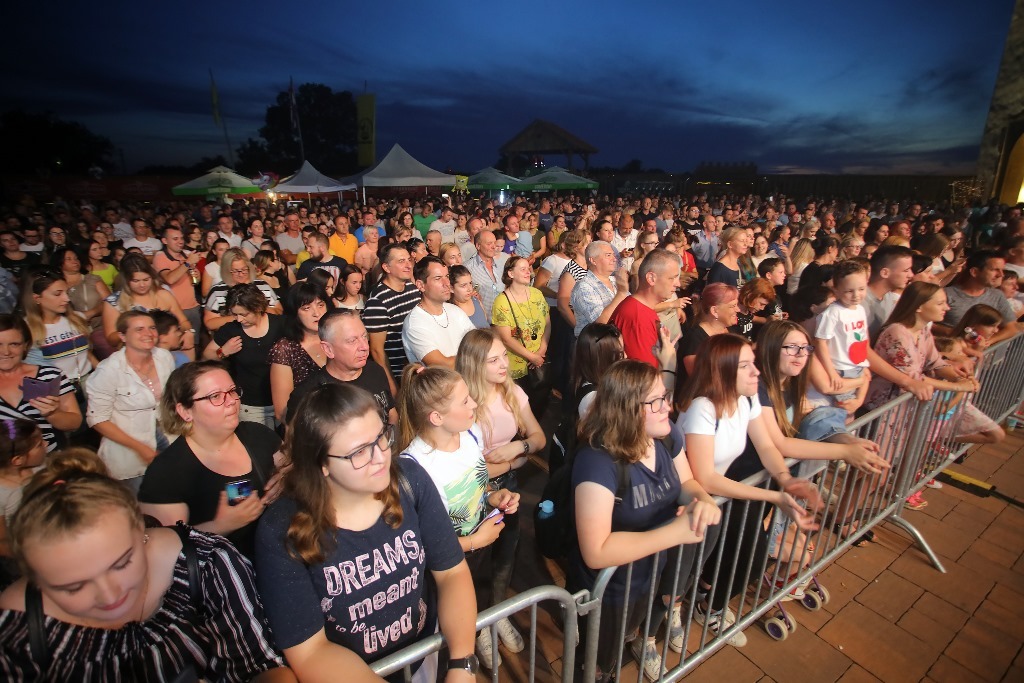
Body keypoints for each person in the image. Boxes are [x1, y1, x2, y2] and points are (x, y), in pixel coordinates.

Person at [0, 449, 293, 681]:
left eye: (121, 563)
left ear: (142, 532)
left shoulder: (207, 564)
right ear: (35, 580)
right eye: (72, 587)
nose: (110, 595)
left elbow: (263, 667)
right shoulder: (15, 632)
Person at [255, 383, 477, 682]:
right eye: (359, 452)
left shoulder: (409, 480)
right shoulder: (282, 531)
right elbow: (310, 651)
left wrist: (462, 664)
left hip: (420, 656)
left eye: (381, 437)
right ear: (321, 463)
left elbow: (451, 572)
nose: (380, 457)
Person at [571, 360, 719, 680]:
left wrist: (703, 501)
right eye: (656, 401)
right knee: (599, 662)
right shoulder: (597, 463)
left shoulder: (665, 436)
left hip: (649, 573)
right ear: (627, 409)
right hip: (610, 589)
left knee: (626, 636)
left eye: (665, 396)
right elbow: (596, 550)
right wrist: (677, 532)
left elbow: (688, 483)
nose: (667, 406)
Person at [675, 334, 820, 647]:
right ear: (723, 372)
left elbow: (767, 446)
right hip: (688, 503)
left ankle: (705, 602)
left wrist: (786, 481)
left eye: (753, 363)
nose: (757, 372)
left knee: (749, 559)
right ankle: (662, 621)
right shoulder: (703, 408)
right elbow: (706, 478)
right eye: (745, 366)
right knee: (681, 571)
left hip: (718, 501)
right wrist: (773, 495)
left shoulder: (747, 398)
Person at [395, 365, 521, 671]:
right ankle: (473, 634)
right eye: (464, 401)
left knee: (483, 587)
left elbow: (478, 486)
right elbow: (421, 544)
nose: (474, 404)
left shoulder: (469, 435)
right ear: (436, 417)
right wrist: (474, 541)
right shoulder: (416, 467)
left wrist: (494, 497)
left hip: (481, 543)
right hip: (448, 566)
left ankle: (486, 619)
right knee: (457, 609)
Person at [455, 329, 545, 657]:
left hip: (509, 489)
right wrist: (514, 461)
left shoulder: (512, 392)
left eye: (504, 355)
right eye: (493, 359)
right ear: (474, 364)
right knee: (474, 563)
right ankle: (477, 623)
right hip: (471, 495)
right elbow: (466, 471)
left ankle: (496, 612)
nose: (504, 364)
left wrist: (517, 448)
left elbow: (538, 437)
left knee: (506, 555)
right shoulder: (462, 403)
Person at [139, 361, 282, 559]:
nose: (231, 401)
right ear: (185, 411)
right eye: (215, 396)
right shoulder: (166, 473)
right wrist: (221, 526)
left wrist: (287, 477)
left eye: (232, 391)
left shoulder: (259, 435)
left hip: (275, 563)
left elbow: (298, 470)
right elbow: (162, 551)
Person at [85, 311, 175, 492]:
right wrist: (140, 448)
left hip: (167, 436)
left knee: (169, 494)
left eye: (152, 328)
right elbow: (97, 420)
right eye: (139, 329)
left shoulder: (164, 357)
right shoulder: (109, 371)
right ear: (122, 336)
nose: (148, 334)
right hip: (128, 450)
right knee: (140, 504)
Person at [285, 309, 397, 424]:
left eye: (364, 336)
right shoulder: (307, 396)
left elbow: (391, 414)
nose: (364, 346)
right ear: (328, 349)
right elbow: (295, 440)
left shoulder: (375, 371)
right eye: (352, 341)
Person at [203, 283, 286, 429]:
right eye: (235, 314)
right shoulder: (231, 330)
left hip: (283, 403)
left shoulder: (281, 325)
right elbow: (207, 354)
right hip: (250, 406)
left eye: (244, 314)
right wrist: (223, 352)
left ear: (258, 307)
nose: (239, 319)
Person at [0, 315, 81, 452]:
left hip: (47, 464)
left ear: (26, 346)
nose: (6, 352)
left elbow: (74, 423)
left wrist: (53, 414)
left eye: (14, 344)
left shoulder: (49, 376)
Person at [102, 254, 195, 356]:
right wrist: (133, 329)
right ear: (126, 281)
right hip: (135, 355)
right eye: (136, 281)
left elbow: (183, 321)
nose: (142, 285)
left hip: (170, 352)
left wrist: (188, 332)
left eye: (146, 280)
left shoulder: (163, 294)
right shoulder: (114, 303)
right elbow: (111, 339)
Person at [492, 255, 551, 415]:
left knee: (539, 403)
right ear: (510, 274)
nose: (528, 272)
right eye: (523, 269)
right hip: (516, 365)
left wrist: (541, 351)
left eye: (529, 268)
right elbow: (506, 338)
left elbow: (547, 323)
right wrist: (532, 357)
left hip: (540, 359)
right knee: (518, 408)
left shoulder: (537, 295)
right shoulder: (502, 302)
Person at [611, 249, 683, 372]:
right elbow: (644, 379)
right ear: (651, 278)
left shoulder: (641, 308)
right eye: (672, 278)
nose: (678, 284)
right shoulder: (637, 317)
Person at [364, 244, 422, 393]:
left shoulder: (412, 288)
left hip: (419, 369)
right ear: (386, 268)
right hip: (401, 376)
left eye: (409, 259)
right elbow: (377, 350)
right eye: (401, 261)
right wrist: (392, 386)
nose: (408, 265)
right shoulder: (377, 301)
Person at [23, 270, 96, 387]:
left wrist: (102, 373)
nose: (67, 299)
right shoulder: (26, 329)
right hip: (55, 389)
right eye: (58, 294)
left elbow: (87, 354)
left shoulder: (77, 319)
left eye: (66, 293)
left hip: (88, 384)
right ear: (37, 298)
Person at [269, 283, 329, 423]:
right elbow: (282, 412)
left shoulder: (335, 338)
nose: (316, 313)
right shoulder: (285, 349)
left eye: (320, 305)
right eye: (306, 308)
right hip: (307, 431)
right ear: (294, 313)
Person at [814, 260, 872, 404]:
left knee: (855, 405)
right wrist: (832, 373)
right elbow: (820, 342)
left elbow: (863, 339)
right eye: (849, 291)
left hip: (857, 365)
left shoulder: (861, 309)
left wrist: (864, 364)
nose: (856, 295)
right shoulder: (832, 313)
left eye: (861, 289)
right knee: (844, 408)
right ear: (836, 290)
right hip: (841, 369)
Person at [402, 256, 475, 369]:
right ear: (421, 285)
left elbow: (479, 344)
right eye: (437, 278)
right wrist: (475, 356)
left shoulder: (455, 310)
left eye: (447, 276)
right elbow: (442, 365)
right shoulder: (415, 323)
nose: (446, 283)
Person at [0, 419, 46, 586]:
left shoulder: (43, 469)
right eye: (39, 444)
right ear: (17, 460)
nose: (46, 444)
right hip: (27, 561)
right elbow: (2, 542)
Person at [673, 282, 738, 387]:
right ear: (714, 310)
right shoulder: (694, 338)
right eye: (733, 306)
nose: (737, 309)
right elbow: (700, 381)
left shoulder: (732, 331)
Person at [204, 248, 282, 332]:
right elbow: (209, 323)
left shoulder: (262, 285)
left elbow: (279, 310)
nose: (241, 274)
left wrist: (259, 310)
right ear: (226, 271)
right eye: (235, 271)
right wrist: (239, 316)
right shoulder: (217, 291)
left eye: (244, 269)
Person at [570, 241, 629, 337]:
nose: (614, 259)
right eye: (608, 255)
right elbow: (600, 323)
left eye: (614, 255)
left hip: (618, 341)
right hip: (596, 346)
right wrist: (621, 294)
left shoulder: (615, 281)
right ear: (593, 260)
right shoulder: (584, 287)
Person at [152, 225, 203, 334]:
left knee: (194, 344)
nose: (180, 241)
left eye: (181, 238)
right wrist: (188, 262)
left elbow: (195, 281)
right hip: (173, 310)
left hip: (193, 307)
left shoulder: (187, 254)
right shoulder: (160, 256)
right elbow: (169, 279)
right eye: (175, 239)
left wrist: (197, 277)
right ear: (165, 240)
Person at [465, 230, 509, 320]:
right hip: (484, 321)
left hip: (505, 319)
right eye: (489, 244)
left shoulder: (501, 265)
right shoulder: (468, 268)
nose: (494, 247)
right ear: (478, 246)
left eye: (494, 243)